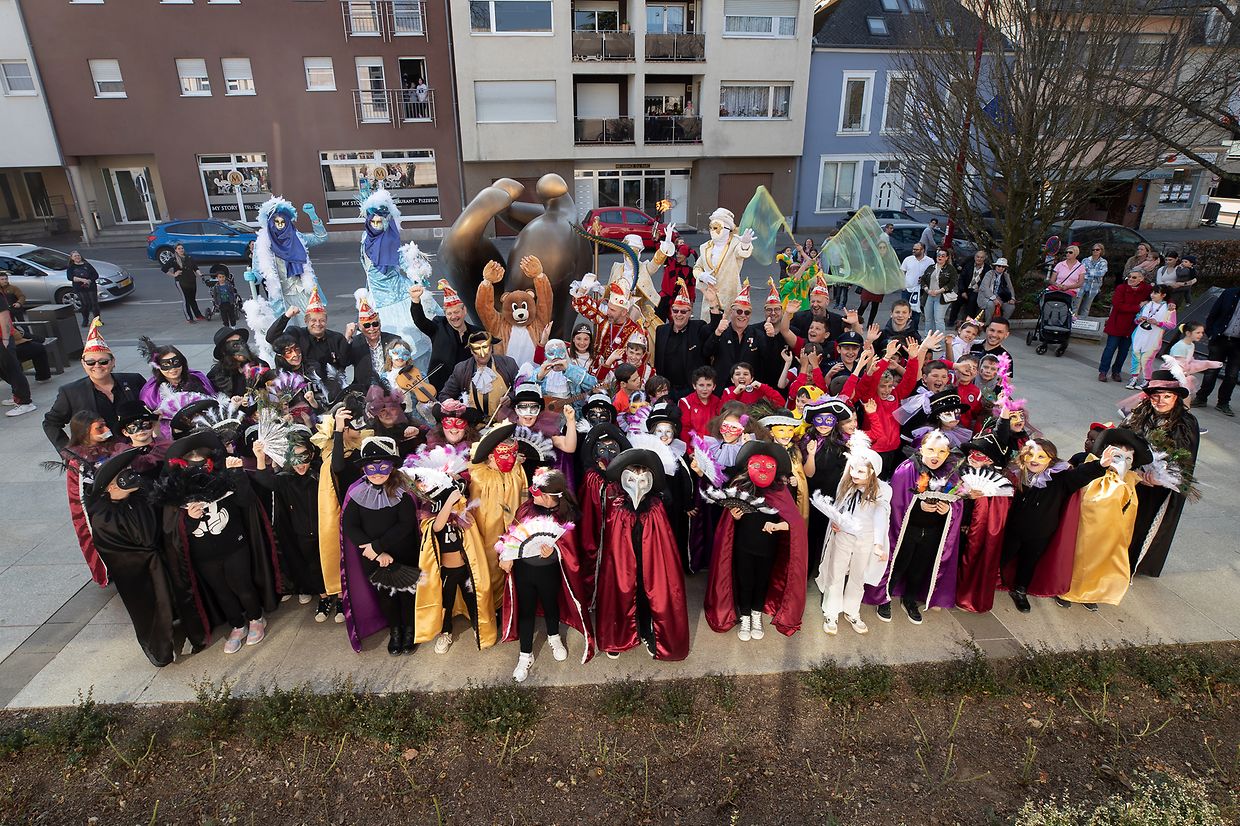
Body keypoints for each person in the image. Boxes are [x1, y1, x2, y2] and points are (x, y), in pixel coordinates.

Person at [151, 430, 280, 654]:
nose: (197, 470)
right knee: (222, 591)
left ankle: (256, 618)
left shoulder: (226, 479)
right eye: (190, 465)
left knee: (243, 586)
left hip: (234, 545)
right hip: (204, 555)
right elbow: (174, 532)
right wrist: (189, 519)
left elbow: (246, 501)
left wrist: (236, 473)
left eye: (202, 464)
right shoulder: (175, 494)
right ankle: (238, 625)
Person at [85, 448, 181, 667]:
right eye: (123, 475)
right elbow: (114, 550)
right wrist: (146, 555)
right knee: (152, 607)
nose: (131, 476)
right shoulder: (104, 517)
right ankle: (160, 648)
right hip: (139, 572)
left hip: (161, 559)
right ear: (110, 486)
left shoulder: (143, 496)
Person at [498, 468, 596, 681]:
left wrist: (555, 550)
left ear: (551, 497)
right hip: (524, 572)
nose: (534, 497)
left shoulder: (565, 516)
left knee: (552, 605)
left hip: (549, 572)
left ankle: (554, 637)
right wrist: (505, 556)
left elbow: (570, 549)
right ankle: (525, 655)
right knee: (526, 611)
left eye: (538, 494)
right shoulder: (525, 510)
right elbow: (512, 536)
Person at [705, 441, 808, 641]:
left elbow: (794, 524)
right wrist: (733, 517)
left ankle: (756, 615)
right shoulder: (739, 486)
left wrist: (778, 526)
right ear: (748, 466)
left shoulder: (780, 490)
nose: (763, 470)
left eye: (769, 467)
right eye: (757, 465)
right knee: (745, 582)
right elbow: (726, 525)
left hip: (768, 548)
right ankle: (744, 616)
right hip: (743, 546)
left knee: (761, 582)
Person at [596, 446, 689, 660]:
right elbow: (612, 540)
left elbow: (662, 540)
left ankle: (648, 631)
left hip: (650, 561)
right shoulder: (618, 505)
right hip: (623, 562)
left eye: (642, 478)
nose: (637, 484)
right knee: (620, 592)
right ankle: (618, 636)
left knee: (650, 595)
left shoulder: (656, 506)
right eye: (632, 477)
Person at [864, 430, 963, 624]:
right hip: (908, 530)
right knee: (899, 564)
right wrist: (918, 505)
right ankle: (885, 596)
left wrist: (947, 511)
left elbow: (958, 503)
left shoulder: (951, 473)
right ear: (921, 449)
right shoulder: (907, 469)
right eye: (931, 450)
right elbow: (898, 501)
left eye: (942, 452)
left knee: (920, 567)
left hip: (932, 531)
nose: (935, 456)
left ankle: (910, 600)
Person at [1000, 437, 1106, 612]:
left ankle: (1020, 590)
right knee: (1003, 555)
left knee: (1029, 561)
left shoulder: (1060, 479)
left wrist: (1100, 465)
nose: (1034, 459)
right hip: (1012, 528)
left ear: (1051, 460)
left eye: (1041, 456)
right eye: (1030, 455)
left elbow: (1081, 475)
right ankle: (990, 581)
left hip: (1040, 532)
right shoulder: (1015, 475)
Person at [338, 437, 421, 655]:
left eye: (383, 466)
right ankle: (395, 631)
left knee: (406, 593)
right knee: (385, 594)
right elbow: (349, 525)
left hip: (402, 552)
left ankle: (410, 630)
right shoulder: (356, 492)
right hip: (372, 557)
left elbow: (405, 524)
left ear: (392, 467)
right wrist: (373, 551)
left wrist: (378, 546)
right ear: (364, 467)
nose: (377, 472)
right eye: (371, 466)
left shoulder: (403, 491)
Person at [1125, 370, 1200, 577]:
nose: (1160, 401)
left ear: (1176, 397)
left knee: (1144, 524)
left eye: (1167, 396)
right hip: (1134, 477)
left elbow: (1185, 458)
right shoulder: (1142, 413)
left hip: (1158, 487)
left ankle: (1133, 564)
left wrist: (1159, 479)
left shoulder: (1186, 422)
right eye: (1156, 396)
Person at [814, 431, 890, 635]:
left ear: (873, 473)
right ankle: (831, 611)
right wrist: (836, 522)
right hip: (844, 537)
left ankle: (851, 610)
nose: (855, 475)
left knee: (858, 576)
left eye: (860, 472)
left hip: (865, 540)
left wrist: (878, 544)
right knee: (836, 573)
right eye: (853, 470)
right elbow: (839, 507)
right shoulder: (848, 484)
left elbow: (881, 515)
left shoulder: (882, 490)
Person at [42, 320, 145, 450]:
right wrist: (68, 451)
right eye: (90, 362)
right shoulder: (71, 392)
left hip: (138, 450)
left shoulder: (134, 380)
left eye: (103, 361)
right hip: (98, 456)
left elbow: (152, 409)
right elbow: (51, 423)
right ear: (83, 363)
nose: (97, 366)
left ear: (113, 362)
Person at [409, 280, 482, 396]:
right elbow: (420, 321)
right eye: (449, 313)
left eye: (456, 312)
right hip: (442, 388)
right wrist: (415, 301)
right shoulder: (439, 327)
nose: (453, 317)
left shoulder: (477, 333)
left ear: (464, 311)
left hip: (470, 387)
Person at [266, 287, 351, 376]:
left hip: (330, 383)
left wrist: (347, 339)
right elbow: (271, 338)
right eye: (313, 320)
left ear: (326, 321)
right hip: (300, 382)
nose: (318, 324)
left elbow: (344, 362)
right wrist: (286, 316)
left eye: (322, 320)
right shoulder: (296, 333)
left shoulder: (336, 338)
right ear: (306, 321)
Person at [439, 330, 519, 418]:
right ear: (471, 351)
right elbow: (444, 395)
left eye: (485, 347)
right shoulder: (461, 369)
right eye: (477, 349)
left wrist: (511, 397)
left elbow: (522, 388)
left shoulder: (508, 363)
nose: (482, 354)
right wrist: (455, 406)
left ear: (491, 347)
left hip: (506, 419)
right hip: (475, 423)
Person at [1191, 284, 1240, 416]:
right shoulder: (1230, 293)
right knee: (1211, 371)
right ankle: (1201, 398)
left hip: (1238, 344)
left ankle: (1223, 402)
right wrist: (1211, 332)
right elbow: (1214, 313)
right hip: (1220, 338)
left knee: (1232, 375)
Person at [345, 290, 405, 393]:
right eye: (367, 325)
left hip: (392, 388)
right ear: (359, 327)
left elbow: (405, 363)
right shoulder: (355, 343)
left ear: (380, 323)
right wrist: (347, 338)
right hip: (365, 390)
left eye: (375, 324)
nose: (372, 328)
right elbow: (344, 362)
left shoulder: (394, 340)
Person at [1098, 271, 1152, 383]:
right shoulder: (1121, 288)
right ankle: (1103, 371)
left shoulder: (1146, 289)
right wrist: (1138, 307)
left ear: (1141, 279)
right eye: (1129, 277)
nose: (1131, 279)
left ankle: (1116, 371)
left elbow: (1162, 294)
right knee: (1110, 348)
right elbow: (1118, 305)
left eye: (1134, 277)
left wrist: (1170, 303)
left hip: (1131, 326)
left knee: (1124, 351)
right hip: (1117, 323)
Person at [0, 287, 44, 415]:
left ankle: (25, 402)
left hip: (3, 338)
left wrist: (6, 339)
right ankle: (17, 393)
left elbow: (4, 317)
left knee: (11, 368)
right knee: (3, 369)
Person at [1126, 284, 1176, 389]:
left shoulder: (1169, 308)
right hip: (1139, 334)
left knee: (1147, 359)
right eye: (1152, 292)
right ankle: (1134, 378)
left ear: (1163, 295)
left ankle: (1147, 380)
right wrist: (1139, 319)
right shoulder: (1147, 305)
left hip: (1154, 337)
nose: (1152, 295)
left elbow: (1172, 325)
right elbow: (1136, 319)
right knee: (1136, 356)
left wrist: (1158, 323)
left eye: (1156, 293)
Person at [919, 249, 958, 349]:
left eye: (943, 255)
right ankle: (927, 339)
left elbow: (952, 283)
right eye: (938, 255)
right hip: (929, 295)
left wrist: (939, 290)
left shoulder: (950, 269)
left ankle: (939, 343)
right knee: (928, 319)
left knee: (938, 319)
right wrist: (927, 289)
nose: (940, 257)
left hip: (941, 297)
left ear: (947, 257)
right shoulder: (931, 267)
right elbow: (923, 280)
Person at [161, 243, 205, 323]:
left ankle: (198, 315)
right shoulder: (173, 260)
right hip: (182, 282)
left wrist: (200, 274)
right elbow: (164, 269)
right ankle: (189, 318)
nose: (181, 250)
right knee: (186, 300)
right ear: (176, 250)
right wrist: (174, 274)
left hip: (191, 281)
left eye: (182, 248)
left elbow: (195, 268)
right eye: (179, 249)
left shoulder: (189, 257)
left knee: (192, 299)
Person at [67, 250, 102, 328]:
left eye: (78, 255)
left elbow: (95, 275)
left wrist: (89, 280)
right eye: (75, 256)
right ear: (72, 258)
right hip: (79, 287)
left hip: (91, 286)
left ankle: (97, 320)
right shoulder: (71, 267)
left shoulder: (87, 265)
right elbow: (70, 277)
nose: (77, 257)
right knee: (85, 304)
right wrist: (82, 280)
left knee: (94, 304)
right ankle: (85, 320)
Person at [977, 257, 1015, 322]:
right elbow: (985, 287)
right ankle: (987, 324)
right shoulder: (989, 273)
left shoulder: (1006, 275)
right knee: (991, 304)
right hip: (987, 297)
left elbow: (1010, 288)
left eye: (1003, 267)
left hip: (1001, 298)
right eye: (999, 266)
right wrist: (994, 298)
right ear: (995, 266)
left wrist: (1012, 298)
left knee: (1011, 307)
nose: (1000, 268)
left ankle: (1002, 323)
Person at [1076, 242, 1108, 317]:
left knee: (1086, 307)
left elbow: (1101, 273)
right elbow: (1082, 272)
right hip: (1082, 284)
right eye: (1093, 249)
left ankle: (1082, 322)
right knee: (1076, 304)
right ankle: (1072, 321)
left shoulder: (1103, 262)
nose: (1095, 251)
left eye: (1097, 249)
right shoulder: (1085, 260)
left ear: (1101, 251)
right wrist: (1093, 273)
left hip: (1094, 286)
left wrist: (1089, 272)